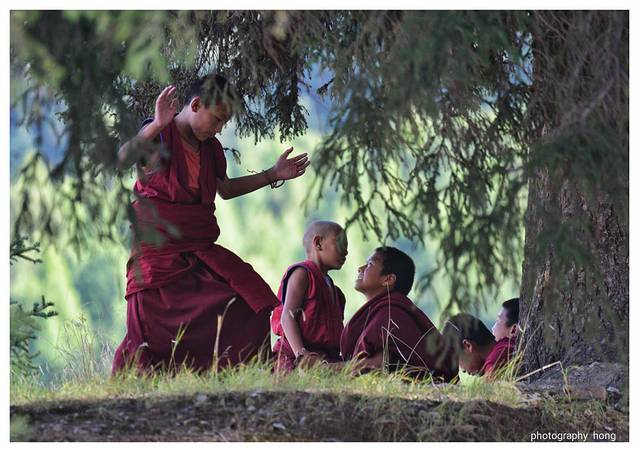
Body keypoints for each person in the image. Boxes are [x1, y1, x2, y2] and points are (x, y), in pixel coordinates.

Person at [112, 74, 310, 374]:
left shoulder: (210, 148)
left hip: (197, 250)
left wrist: (272, 174)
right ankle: (153, 376)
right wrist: (157, 123)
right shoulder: (160, 136)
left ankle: (232, 373)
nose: (218, 129)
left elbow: (225, 189)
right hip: (159, 256)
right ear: (195, 105)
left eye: (223, 123)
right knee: (155, 333)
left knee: (247, 301)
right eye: (217, 120)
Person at [334, 247, 457, 382]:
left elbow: (377, 363)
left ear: (388, 279)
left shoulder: (391, 314)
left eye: (370, 264)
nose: (360, 268)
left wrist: (328, 368)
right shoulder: (381, 310)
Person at [270, 221, 348, 372]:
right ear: (318, 243)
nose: (346, 251)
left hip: (325, 361)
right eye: (340, 243)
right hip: (294, 358)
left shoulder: (337, 294)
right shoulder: (303, 274)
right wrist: (302, 354)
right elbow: (287, 317)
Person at [442, 308, 517, 379]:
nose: (462, 370)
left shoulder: (493, 365)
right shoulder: (507, 343)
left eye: (457, 360)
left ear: (468, 345)